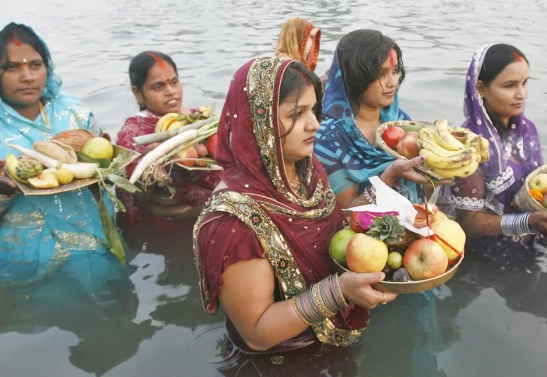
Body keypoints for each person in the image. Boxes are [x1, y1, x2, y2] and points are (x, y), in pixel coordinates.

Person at [194, 57, 394, 356]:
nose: (315, 123)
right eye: (296, 114)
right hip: (282, 359)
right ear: (259, 124)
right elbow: (257, 334)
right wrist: (339, 292)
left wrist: (389, 179)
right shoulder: (233, 220)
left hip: (331, 340)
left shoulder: (304, 169)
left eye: (313, 110)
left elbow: (338, 229)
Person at [0, 21, 127, 287]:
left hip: (101, 255)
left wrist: (107, 168)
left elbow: (106, 189)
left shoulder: (74, 115)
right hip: (28, 274)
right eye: (11, 67)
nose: (28, 77)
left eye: (35, 64)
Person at [438, 44, 547, 242]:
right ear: (481, 88)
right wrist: (526, 222)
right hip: (487, 255)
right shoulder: (468, 146)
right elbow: (467, 223)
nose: (522, 94)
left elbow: (536, 191)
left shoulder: (527, 130)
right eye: (509, 86)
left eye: (524, 83)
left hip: (535, 239)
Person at [314, 29, 429, 208]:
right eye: (381, 74)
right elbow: (346, 213)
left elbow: (421, 192)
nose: (393, 82)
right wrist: (390, 175)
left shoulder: (400, 121)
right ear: (355, 76)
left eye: (395, 70)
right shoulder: (329, 138)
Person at [115, 51, 220, 228]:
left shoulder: (200, 118)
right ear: (138, 93)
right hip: (165, 227)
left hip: (209, 215)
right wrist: (152, 169)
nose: (171, 92)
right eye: (158, 87)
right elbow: (138, 199)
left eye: (174, 82)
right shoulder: (134, 135)